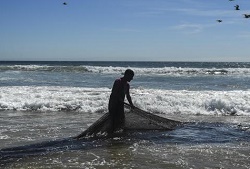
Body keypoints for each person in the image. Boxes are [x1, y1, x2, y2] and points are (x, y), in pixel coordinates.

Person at [108, 69, 135, 134]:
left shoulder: (127, 85)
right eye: (131, 76)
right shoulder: (118, 81)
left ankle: (118, 135)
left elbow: (128, 96)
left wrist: (131, 104)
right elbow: (114, 93)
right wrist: (118, 99)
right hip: (113, 104)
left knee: (121, 120)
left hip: (120, 105)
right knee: (113, 120)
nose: (132, 78)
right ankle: (111, 134)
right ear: (127, 75)